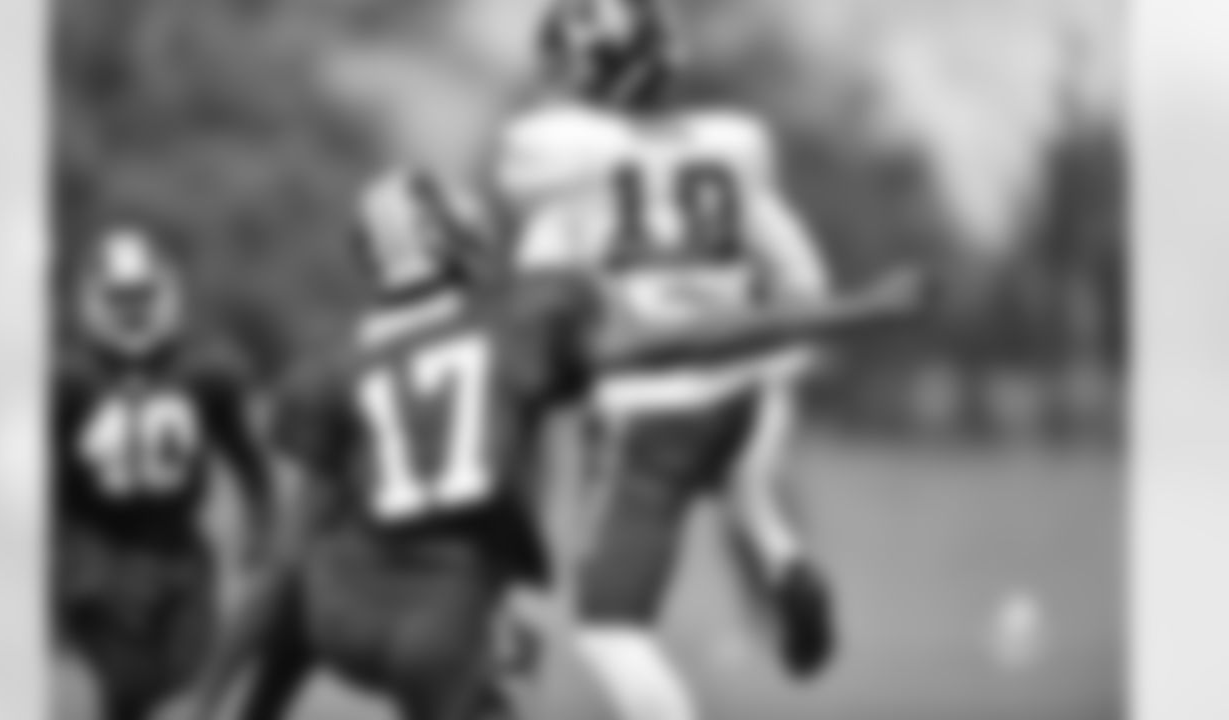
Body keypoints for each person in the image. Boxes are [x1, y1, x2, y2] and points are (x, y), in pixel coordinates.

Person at [185, 168, 920, 720]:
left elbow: (282, 564)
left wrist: (203, 704)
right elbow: (685, 343)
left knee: (311, 565)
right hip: (445, 624)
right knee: (502, 657)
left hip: (339, 617)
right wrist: (853, 310)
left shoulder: (333, 363)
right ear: (441, 239)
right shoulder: (517, 321)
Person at [491, 1, 845, 718]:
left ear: (594, 71)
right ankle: (782, 558)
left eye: (568, 67)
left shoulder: (567, 172)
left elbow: (530, 324)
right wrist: (777, 372)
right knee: (745, 483)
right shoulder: (727, 153)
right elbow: (806, 284)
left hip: (645, 413)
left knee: (608, 631)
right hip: (744, 392)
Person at [53, 225, 270, 720]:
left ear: (166, 292)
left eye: (142, 295)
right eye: (119, 297)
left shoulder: (206, 373)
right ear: (93, 299)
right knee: (127, 684)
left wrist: (261, 525)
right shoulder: (70, 380)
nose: (132, 310)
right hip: (101, 551)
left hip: (179, 551)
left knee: (188, 673)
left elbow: (249, 461)